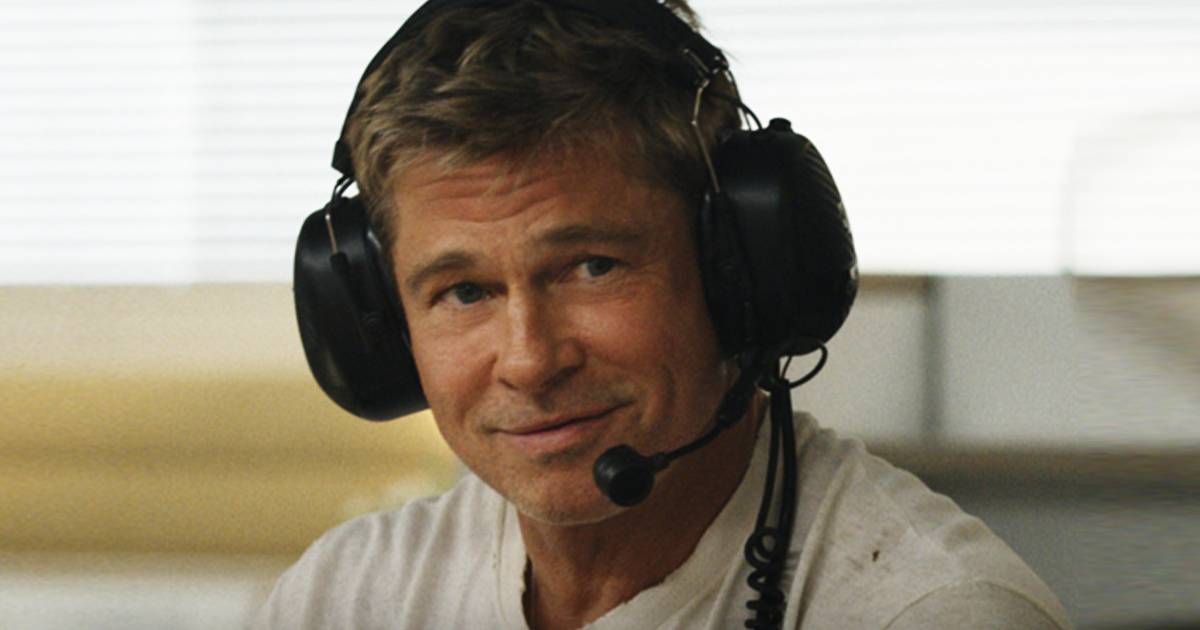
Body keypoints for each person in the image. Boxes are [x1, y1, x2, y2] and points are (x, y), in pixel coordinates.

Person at [259, 1, 1072, 628]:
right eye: (464, 292)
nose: (530, 360)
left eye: (592, 267)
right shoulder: (347, 597)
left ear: (738, 272)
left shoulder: (932, 610)